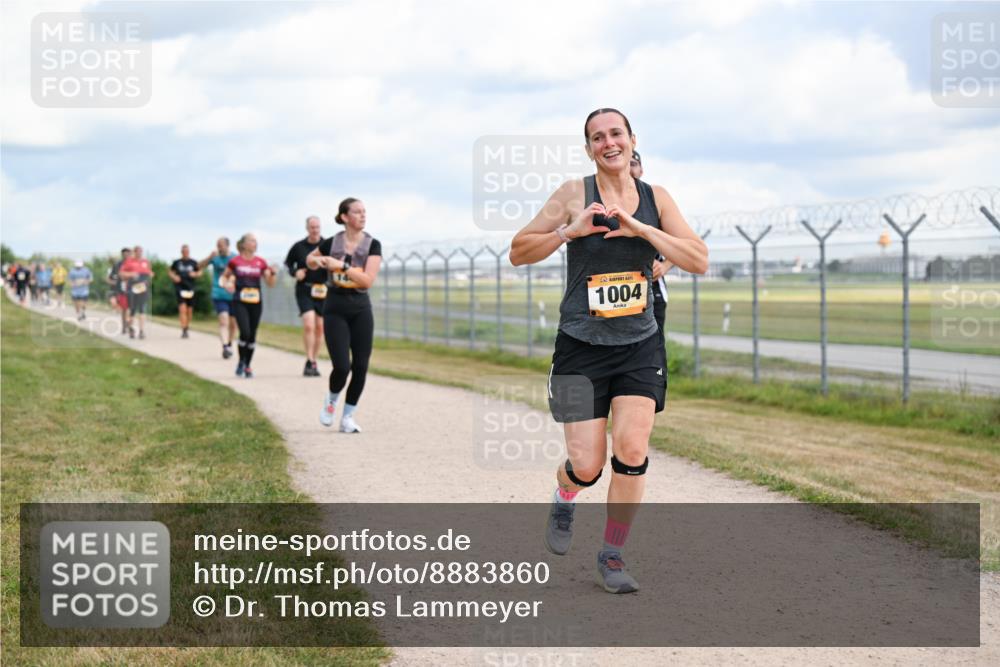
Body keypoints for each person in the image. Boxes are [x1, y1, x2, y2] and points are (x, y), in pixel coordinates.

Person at [509, 108, 708, 594]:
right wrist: (568, 232)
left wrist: (643, 230)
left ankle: (612, 554)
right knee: (587, 464)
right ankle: (566, 492)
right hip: (580, 347)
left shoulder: (655, 198)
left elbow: (698, 258)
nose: (608, 142)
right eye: (597, 137)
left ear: (632, 139)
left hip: (640, 344)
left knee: (633, 449)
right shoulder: (573, 194)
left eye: (615, 133)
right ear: (589, 149)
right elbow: (518, 250)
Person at [306, 198, 382, 433]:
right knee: (342, 366)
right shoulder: (332, 242)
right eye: (357, 212)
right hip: (336, 307)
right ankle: (331, 401)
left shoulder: (372, 244)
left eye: (364, 212)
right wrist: (317, 261)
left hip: (360, 308)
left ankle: (348, 417)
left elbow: (367, 281)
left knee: (360, 365)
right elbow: (309, 260)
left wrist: (342, 266)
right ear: (345, 217)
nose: (363, 215)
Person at [220, 233, 277, 378]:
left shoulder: (261, 262)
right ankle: (241, 361)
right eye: (252, 241)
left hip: (256, 302)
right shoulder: (235, 261)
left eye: (256, 241)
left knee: (252, 335)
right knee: (244, 332)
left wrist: (273, 274)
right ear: (244, 244)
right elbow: (223, 277)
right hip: (240, 301)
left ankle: (247, 365)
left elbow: (270, 284)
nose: (255, 243)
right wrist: (227, 285)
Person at [630, 151, 671, 336]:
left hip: (652, 290)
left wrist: (665, 265)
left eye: (633, 164)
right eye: (625, 163)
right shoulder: (600, 202)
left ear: (641, 169)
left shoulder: (654, 201)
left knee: (655, 350)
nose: (629, 169)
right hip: (614, 294)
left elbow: (684, 244)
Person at [285, 216, 327, 376]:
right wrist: (295, 272)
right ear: (307, 228)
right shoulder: (299, 246)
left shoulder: (326, 245)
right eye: (312, 227)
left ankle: (314, 361)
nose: (315, 230)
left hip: (323, 291)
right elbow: (288, 264)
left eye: (317, 227)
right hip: (304, 290)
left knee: (320, 328)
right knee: (309, 324)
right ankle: (308, 359)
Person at [199, 238, 238, 359]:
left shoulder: (235, 258)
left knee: (233, 324)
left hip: (233, 294)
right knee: (223, 321)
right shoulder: (214, 258)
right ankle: (225, 347)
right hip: (218, 294)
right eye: (217, 246)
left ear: (227, 245)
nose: (219, 248)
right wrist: (209, 257)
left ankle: (229, 343)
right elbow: (199, 266)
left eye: (221, 246)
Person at [119, 245, 154, 339]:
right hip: (132, 288)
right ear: (134, 252)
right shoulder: (128, 262)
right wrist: (131, 274)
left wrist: (150, 275)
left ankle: (142, 331)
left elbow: (150, 272)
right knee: (132, 310)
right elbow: (121, 274)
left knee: (142, 308)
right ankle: (131, 328)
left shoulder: (145, 262)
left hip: (143, 288)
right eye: (137, 251)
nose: (139, 253)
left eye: (140, 251)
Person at [169, 244, 202, 338]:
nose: (185, 253)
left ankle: (187, 326)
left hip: (190, 288)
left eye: (187, 251)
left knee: (189, 310)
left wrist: (195, 274)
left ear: (189, 252)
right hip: (180, 288)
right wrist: (174, 277)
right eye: (184, 251)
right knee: (182, 309)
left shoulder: (193, 262)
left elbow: (200, 272)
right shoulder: (177, 262)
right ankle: (183, 330)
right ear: (181, 252)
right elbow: (170, 271)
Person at [108, 247, 132, 335]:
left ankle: (129, 325)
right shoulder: (117, 265)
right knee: (124, 309)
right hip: (121, 289)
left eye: (128, 254)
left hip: (132, 289)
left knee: (131, 309)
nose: (126, 256)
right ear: (122, 255)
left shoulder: (134, 263)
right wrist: (113, 283)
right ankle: (124, 327)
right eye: (124, 254)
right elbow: (111, 277)